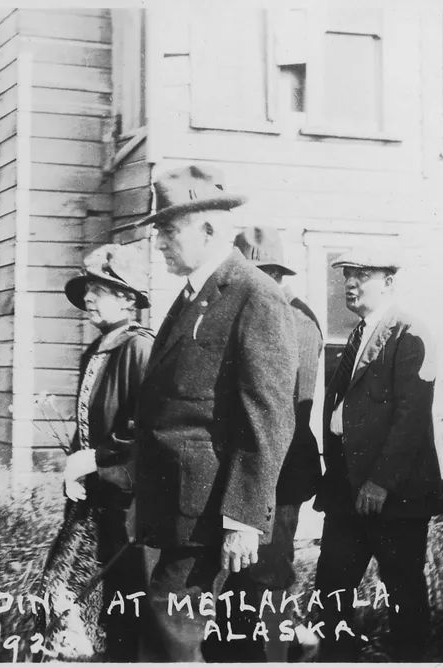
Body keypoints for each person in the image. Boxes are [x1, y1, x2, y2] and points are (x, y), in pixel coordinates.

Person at [132, 165, 298, 662]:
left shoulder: (254, 296)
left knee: (171, 639)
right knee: (171, 637)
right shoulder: (191, 296)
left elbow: (267, 416)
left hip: (207, 512)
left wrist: (244, 517)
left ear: (208, 229)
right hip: (177, 507)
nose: (158, 242)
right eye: (158, 229)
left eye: (168, 229)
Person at [312, 247, 441, 662]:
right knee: (331, 588)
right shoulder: (359, 333)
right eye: (347, 275)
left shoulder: (409, 334)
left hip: (392, 496)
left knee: (402, 592)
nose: (350, 283)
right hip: (347, 490)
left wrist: (380, 481)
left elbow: (411, 419)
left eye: (361, 275)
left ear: (388, 281)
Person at [42, 243, 154, 661]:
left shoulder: (139, 349)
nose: (88, 297)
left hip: (132, 501)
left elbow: (147, 426)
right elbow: (89, 421)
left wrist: (99, 458)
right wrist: (77, 464)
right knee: (110, 604)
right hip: (103, 497)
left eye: (99, 289)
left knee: (133, 601)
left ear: (127, 297)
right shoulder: (97, 349)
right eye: (87, 288)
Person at [233, 227, 323, 662]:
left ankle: (282, 653)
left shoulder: (296, 320)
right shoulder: (245, 310)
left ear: (271, 274)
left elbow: (287, 409)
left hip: (278, 472)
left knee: (267, 576)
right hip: (244, 471)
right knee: (241, 581)